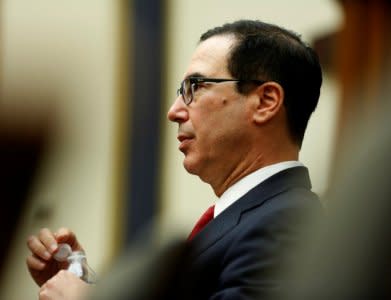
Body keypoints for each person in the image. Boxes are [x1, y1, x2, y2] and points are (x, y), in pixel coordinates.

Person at [25, 19, 323, 300]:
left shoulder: (285, 223)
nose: (174, 111)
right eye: (181, 91)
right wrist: (86, 283)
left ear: (265, 101)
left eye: (195, 87)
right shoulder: (258, 216)